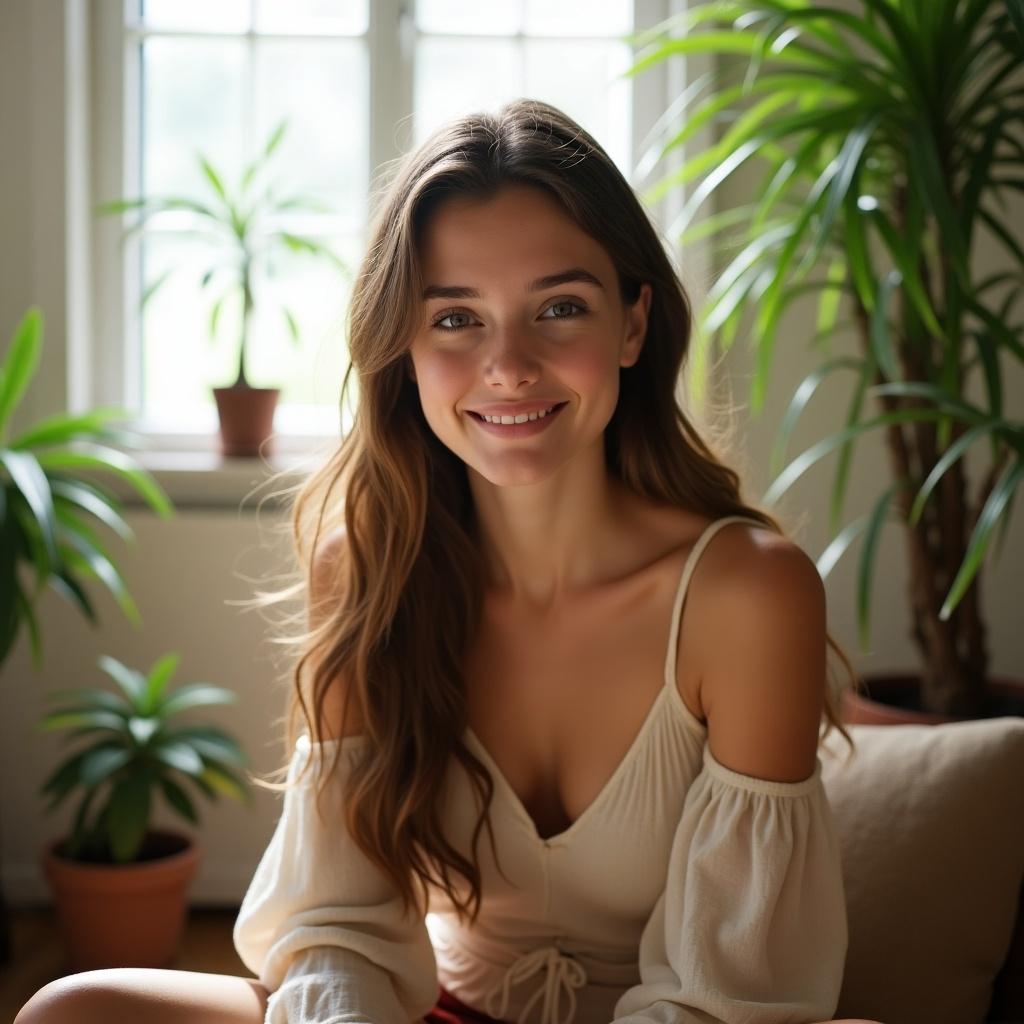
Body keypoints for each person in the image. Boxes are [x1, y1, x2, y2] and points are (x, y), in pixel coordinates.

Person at [15, 98, 883, 1024]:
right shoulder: (370, 567)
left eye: (559, 308)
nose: (508, 365)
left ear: (632, 326)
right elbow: (338, 930)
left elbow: (735, 997)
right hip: (429, 1012)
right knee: (75, 1008)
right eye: (457, 319)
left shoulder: (746, 592)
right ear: (405, 346)